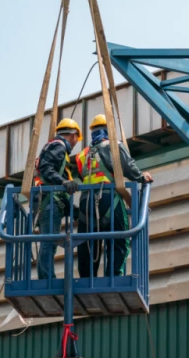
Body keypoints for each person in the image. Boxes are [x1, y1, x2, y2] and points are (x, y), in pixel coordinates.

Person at [73, 114, 152, 278]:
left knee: (88, 243)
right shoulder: (114, 145)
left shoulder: (82, 154)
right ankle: (114, 277)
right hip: (109, 199)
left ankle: (87, 279)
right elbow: (128, 166)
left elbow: (82, 175)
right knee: (119, 240)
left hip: (86, 202)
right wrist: (141, 177)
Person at [33, 118, 81, 280]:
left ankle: (47, 276)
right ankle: (46, 278)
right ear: (73, 135)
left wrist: (74, 210)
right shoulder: (58, 147)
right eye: (76, 139)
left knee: (50, 240)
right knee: (49, 241)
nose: (75, 143)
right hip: (49, 201)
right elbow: (46, 168)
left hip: (50, 200)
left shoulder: (54, 146)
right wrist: (63, 182)